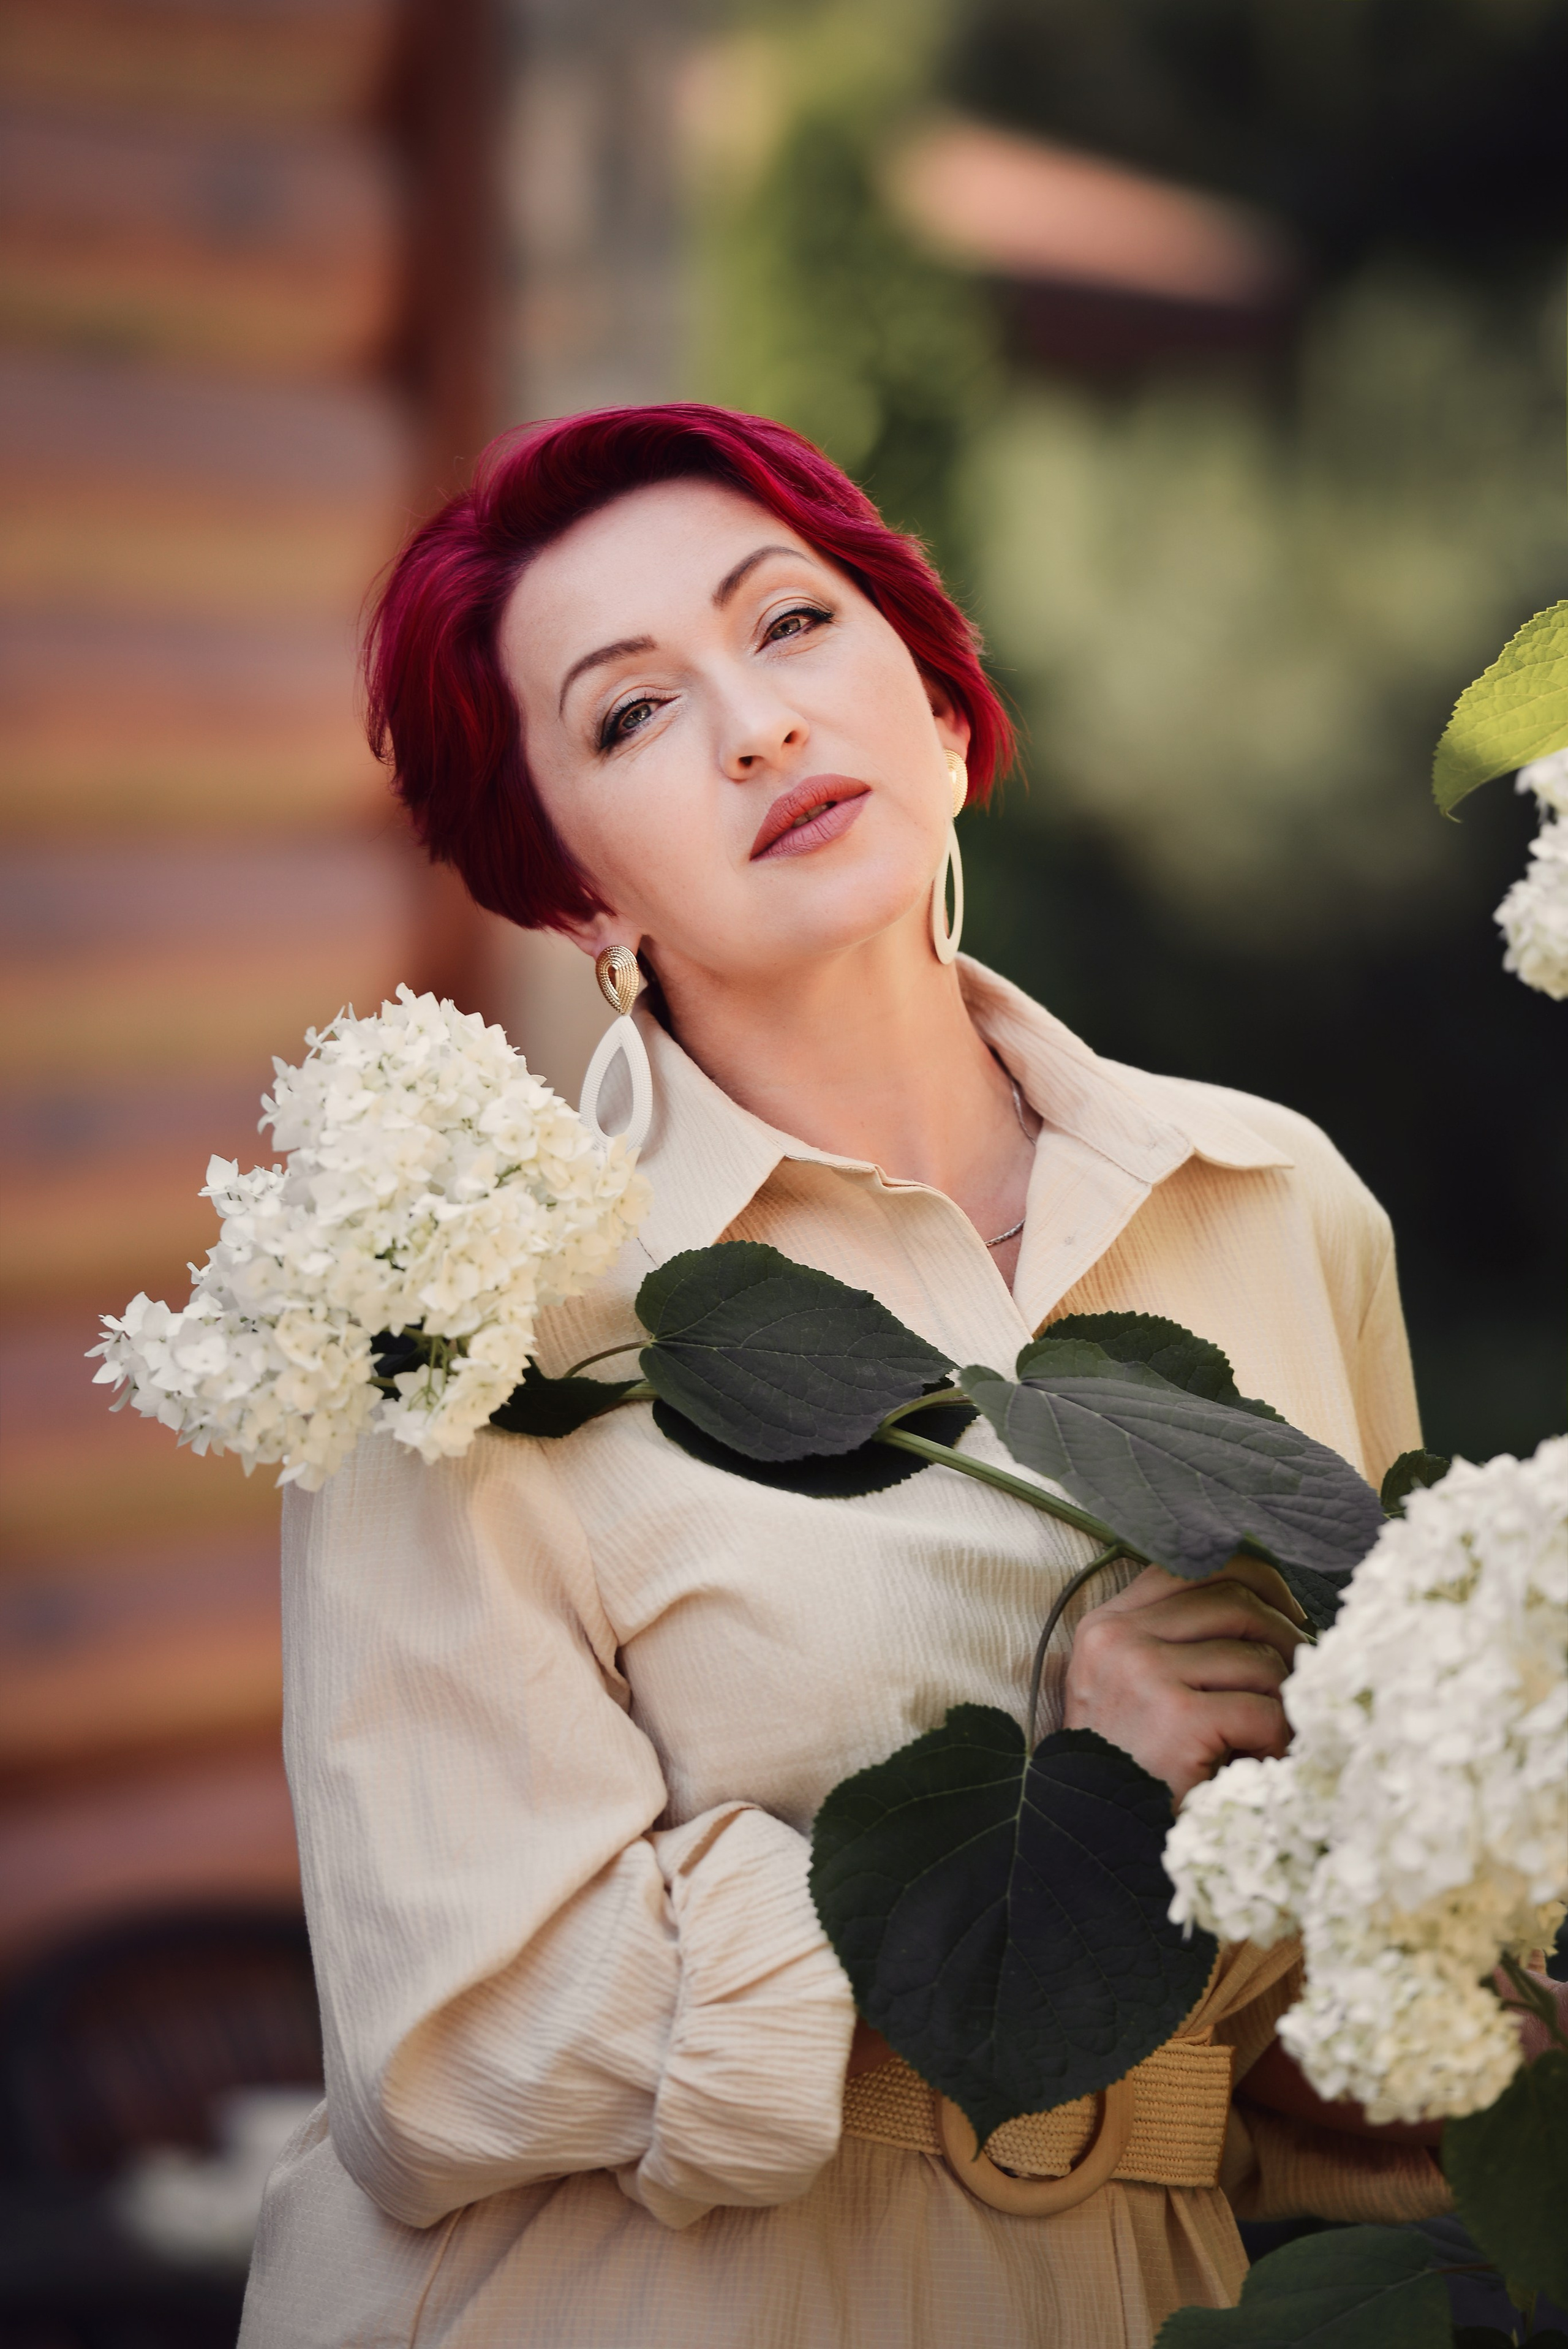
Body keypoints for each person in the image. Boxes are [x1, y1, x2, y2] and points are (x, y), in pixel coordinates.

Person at [239, 405, 1449, 2348]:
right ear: (577, 894)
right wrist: (1072, 1793)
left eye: (790, 625)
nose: (755, 728)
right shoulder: (481, 1323)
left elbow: (1366, 1948)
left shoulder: (1278, 1200)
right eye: (631, 715)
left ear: (941, 706)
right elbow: (454, 2041)